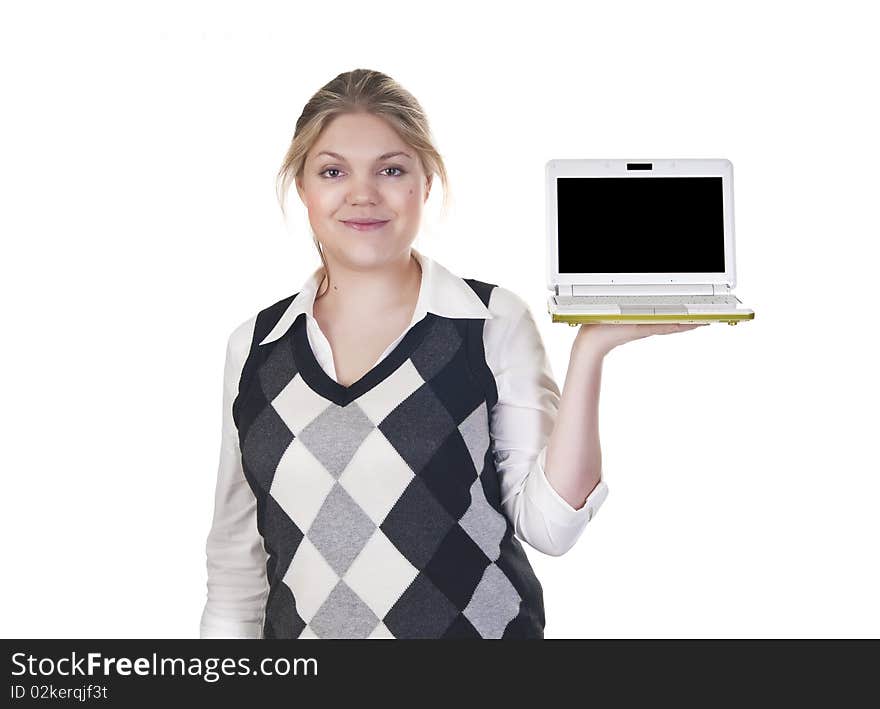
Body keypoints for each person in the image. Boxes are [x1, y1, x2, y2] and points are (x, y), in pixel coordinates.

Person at [199, 68, 706, 640]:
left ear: (426, 183)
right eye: (333, 171)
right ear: (304, 190)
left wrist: (591, 350)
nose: (363, 193)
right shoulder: (255, 348)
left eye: (391, 170)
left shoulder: (488, 324)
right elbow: (236, 572)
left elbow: (551, 528)